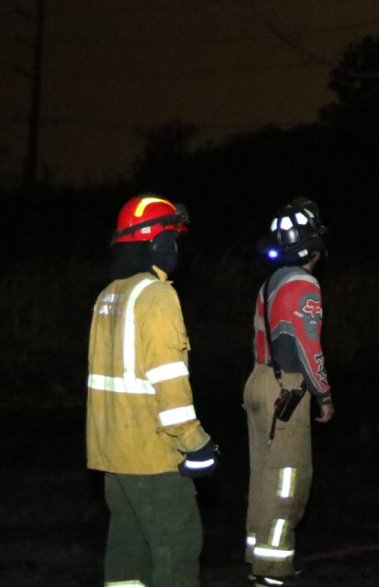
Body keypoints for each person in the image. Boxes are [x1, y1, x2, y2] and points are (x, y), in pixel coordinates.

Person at [87, 193, 218, 587]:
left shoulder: (109, 295)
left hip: (113, 456)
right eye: (173, 239)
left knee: (127, 555)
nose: (176, 248)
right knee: (177, 550)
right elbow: (167, 378)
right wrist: (195, 442)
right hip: (152, 455)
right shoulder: (157, 296)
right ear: (158, 242)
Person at [245, 198, 335, 586]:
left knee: (262, 476)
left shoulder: (272, 282)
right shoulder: (303, 285)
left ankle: (258, 556)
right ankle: (273, 569)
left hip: (258, 381)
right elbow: (307, 346)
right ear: (313, 246)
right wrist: (324, 395)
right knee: (287, 480)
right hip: (286, 389)